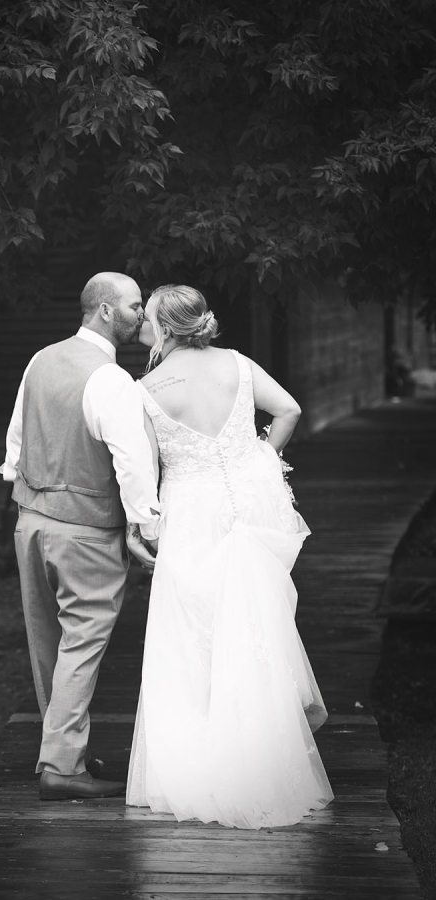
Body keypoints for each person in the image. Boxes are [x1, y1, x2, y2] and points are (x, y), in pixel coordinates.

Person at [126, 284, 334, 828]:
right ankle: (260, 758)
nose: (143, 325)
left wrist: (138, 526)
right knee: (251, 622)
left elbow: (144, 470)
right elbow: (288, 410)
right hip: (245, 504)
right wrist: (260, 460)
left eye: (148, 318)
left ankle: (198, 765)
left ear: (166, 328)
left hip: (189, 513)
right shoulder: (238, 365)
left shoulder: (146, 390)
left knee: (191, 633)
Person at [1, 272, 160, 801]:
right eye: (134, 305)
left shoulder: (41, 359)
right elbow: (132, 462)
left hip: (30, 521)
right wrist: (147, 527)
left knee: (48, 643)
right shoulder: (111, 380)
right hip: (85, 531)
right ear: (107, 311)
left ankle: (61, 752)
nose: (141, 314)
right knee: (82, 645)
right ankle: (62, 769)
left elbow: (17, 439)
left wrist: (24, 490)